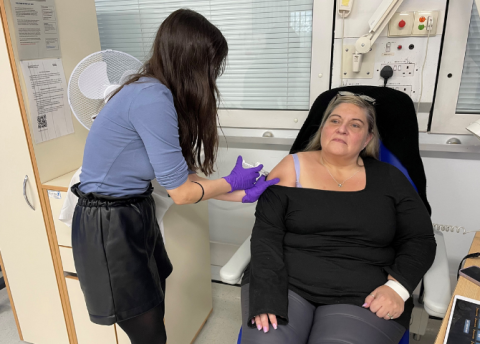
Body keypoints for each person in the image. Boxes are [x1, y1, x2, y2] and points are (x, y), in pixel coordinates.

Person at [71, 9, 278, 344]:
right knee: (149, 334)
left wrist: (240, 192)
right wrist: (232, 182)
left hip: (134, 212)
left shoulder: (154, 93)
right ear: (191, 62)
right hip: (108, 226)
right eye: (211, 66)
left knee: (155, 310)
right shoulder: (151, 97)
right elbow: (182, 194)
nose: (212, 76)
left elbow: (181, 180)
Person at [240, 92, 436, 344]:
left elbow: (420, 239)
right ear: (322, 129)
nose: (342, 129)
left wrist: (396, 288)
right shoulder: (290, 167)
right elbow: (266, 236)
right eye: (334, 121)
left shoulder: (390, 179)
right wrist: (265, 294)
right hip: (285, 284)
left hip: (364, 295)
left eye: (355, 125)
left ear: (368, 138)